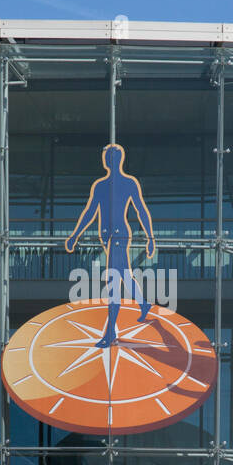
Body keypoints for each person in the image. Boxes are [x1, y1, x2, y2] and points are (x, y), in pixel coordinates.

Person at [65, 143, 156, 346]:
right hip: (108, 239)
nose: (105, 160)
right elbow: (90, 212)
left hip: (118, 237)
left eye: (109, 157)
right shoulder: (101, 185)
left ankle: (110, 333)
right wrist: (74, 235)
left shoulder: (127, 183)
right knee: (124, 275)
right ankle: (143, 304)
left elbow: (141, 210)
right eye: (105, 157)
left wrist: (151, 238)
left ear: (117, 160)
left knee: (114, 280)